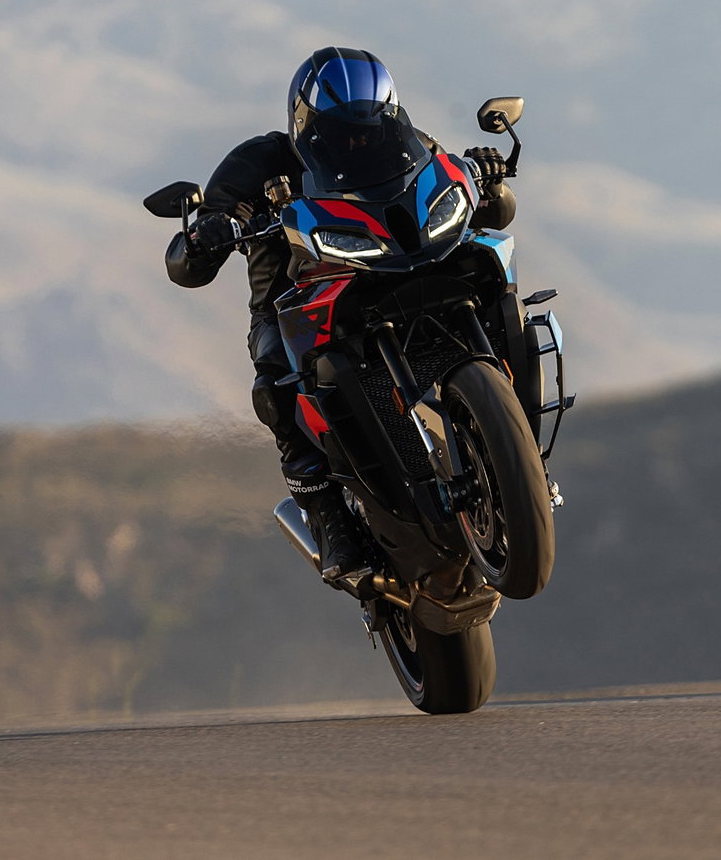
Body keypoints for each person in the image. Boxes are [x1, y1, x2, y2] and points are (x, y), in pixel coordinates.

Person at [163, 47, 514, 582]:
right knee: (276, 381)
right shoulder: (258, 164)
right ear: (307, 126)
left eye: (372, 126)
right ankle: (328, 517)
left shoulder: (412, 147)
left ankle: (514, 433)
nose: (359, 140)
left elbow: (483, 199)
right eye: (342, 131)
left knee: (490, 260)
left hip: (401, 270)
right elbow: (190, 259)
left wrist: (483, 175)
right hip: (297, 301)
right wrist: (205, 233)